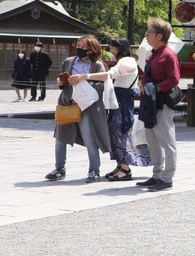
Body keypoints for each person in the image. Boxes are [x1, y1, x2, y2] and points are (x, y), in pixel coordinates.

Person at [70, 37, 147, 181]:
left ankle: (125, 168)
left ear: (120, 48)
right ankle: (120, 165)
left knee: (120, 132)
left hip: (123, 103)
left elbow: (109, 75)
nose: (110, 50)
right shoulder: (124, 61)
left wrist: (84, 76)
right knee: (115, 132)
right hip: (118, 102)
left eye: (112, 47)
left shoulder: (127, 61)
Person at [45, 35, 111, 182]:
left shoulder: (97, 65)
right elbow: (62, 81)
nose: (79, 48)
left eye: (83, 47)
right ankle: (59, 169)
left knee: (89, 138)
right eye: (78, 45)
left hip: (87, 106)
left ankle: (94, 170)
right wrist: (60, 82)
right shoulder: (68, 62)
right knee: (60, 138)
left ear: (91, 50)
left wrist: (83, 78)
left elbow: (102, 83)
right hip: (67, 104)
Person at [136, 19, 181, 191]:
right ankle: (157, 174)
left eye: (149, 32)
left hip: (162, 102)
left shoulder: (169, 55)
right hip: (150, 101)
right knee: (152, 139)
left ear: (160, 36)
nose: (146, 35)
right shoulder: (152, 54)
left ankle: (167, 178)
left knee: (167, 140)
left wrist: (155, 88)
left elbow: (174, 79)